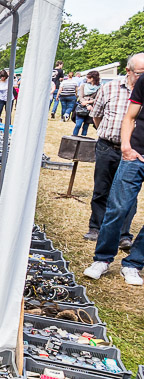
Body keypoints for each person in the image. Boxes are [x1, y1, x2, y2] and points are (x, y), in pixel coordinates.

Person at [83, 61, 144, 285]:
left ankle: (134, 263)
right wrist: (127, 146)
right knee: (117, 205)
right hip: (132, 153)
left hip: (130, 152)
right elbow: (130, 116)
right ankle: (102, 259)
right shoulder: (140, 82)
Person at [73, 70, 101, 137]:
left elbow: (98, 98)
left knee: (86, 126)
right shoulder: (83, 86)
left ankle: (83, 139)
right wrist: (86, 104)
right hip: (82, 107)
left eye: (89, 78)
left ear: (93, 78)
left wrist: (89, 102)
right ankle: (74, 137)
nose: (87, 79)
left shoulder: (100, 87)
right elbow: (81, 97)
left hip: (91, 108)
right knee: (78, 125)